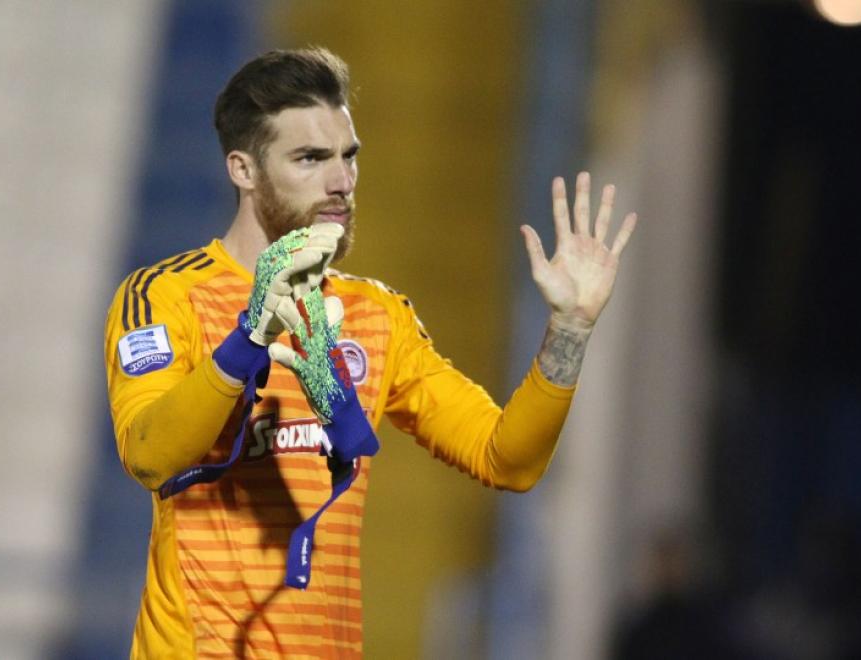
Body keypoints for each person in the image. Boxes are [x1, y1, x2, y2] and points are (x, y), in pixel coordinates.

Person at [103, 47, 636, 659]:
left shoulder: (376, 316)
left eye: (348, 156)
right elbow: (150, 456)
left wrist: (570, 327)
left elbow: (508, 459)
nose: (341, 182)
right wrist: (250, 337)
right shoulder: (166, 295)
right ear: (243, 170)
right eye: (310, 158)